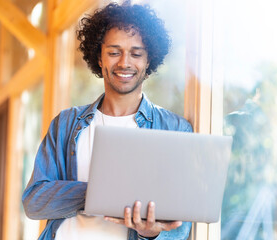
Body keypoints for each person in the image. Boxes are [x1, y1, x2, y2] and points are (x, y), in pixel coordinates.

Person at [22, 2, 192, 240]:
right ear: (99, 58)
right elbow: (34, 202)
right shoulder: (66, 124)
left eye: (136, 53)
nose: (124, 62)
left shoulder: (176, 130)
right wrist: (98, 193)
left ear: (148, 60)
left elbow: (182, 229)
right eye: (114, 52)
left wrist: (150, 233)